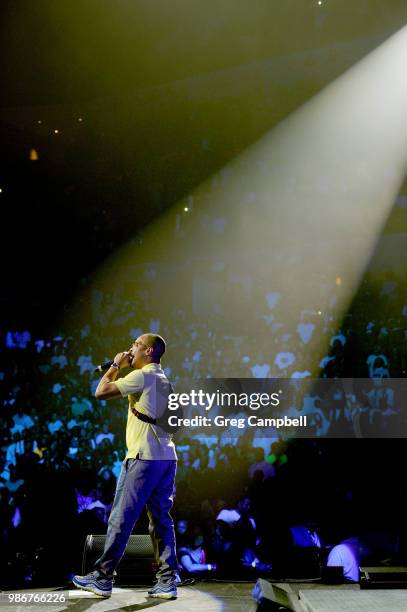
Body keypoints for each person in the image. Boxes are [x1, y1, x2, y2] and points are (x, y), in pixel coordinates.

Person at [72, 333, 178, 599]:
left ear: (150, 351)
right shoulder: (165, 381)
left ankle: (103, 577)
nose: (130, 349)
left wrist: (116, 366)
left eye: (136, 345)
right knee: (161, 521)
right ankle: (167, 582)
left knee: (121, 518)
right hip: (166, 458)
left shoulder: (142, 376)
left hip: (142, 458)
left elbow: (101, 391)